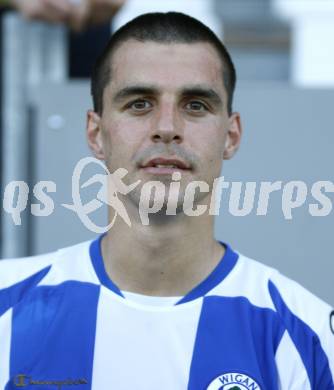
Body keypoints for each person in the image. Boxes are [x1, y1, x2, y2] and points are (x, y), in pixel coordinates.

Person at [0, 12, 333, 390]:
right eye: (140, 104)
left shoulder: (309, 336)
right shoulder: (7, 306)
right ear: (96, 134)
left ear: (231, 135)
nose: (167, 128)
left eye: (195, 105)